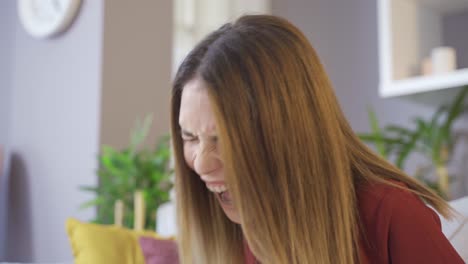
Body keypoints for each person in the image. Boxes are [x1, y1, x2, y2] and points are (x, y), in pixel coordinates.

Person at [170, 15, 464, 264]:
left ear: (289, 131)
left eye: (224, 139)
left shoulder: (388, 213)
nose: (202, 164)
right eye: (190, 137)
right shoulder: (228, 230)